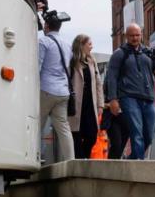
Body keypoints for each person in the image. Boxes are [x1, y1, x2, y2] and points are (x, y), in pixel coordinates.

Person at [105, 23, 155, 159]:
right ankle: (138, 163)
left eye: (137, 35)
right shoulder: (119, 54)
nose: (135, 38)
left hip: (148, 98)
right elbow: (111, 78)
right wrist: (113, 99)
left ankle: (131, 159)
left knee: (149, 134)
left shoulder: (148, 52)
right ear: (126, 36)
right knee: (137, 133)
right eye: (132, 35)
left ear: (141, 35)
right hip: (128, 98)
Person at [37, 10, 74, 163]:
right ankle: (71, 161)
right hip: (63, 91)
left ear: (46, 26)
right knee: (63, 128)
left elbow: (37, 66)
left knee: (36, 125)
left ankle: (35, 157)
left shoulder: (43, 42)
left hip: (46, 89)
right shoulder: (67, 45)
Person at [69, 34, 106, 159]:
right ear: (81, 45)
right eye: (89, 44)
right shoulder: (71, 61)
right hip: (76, 103)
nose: (92, 46)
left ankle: (82, 157)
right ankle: (80, 161)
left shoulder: (92, 60)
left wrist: (100, 104)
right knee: (76, 135)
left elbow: (98, 83)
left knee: (92, 135)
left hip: (90, 103)